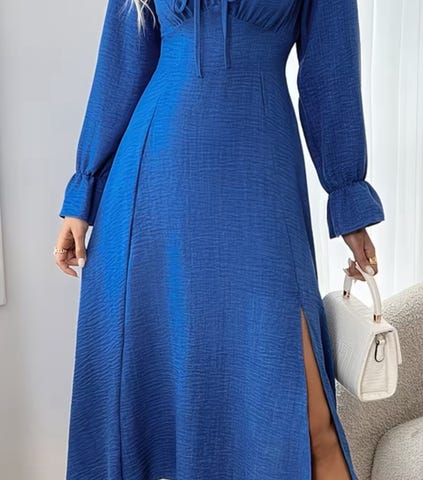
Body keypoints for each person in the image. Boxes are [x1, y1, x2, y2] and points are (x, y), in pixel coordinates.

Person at [53, 0, 385, 478]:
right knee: (150, 406)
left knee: (312, 428)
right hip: (151, 190)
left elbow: (329, 75)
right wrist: (82, 195)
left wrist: (348, 199)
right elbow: (121, 66)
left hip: (260, 178)